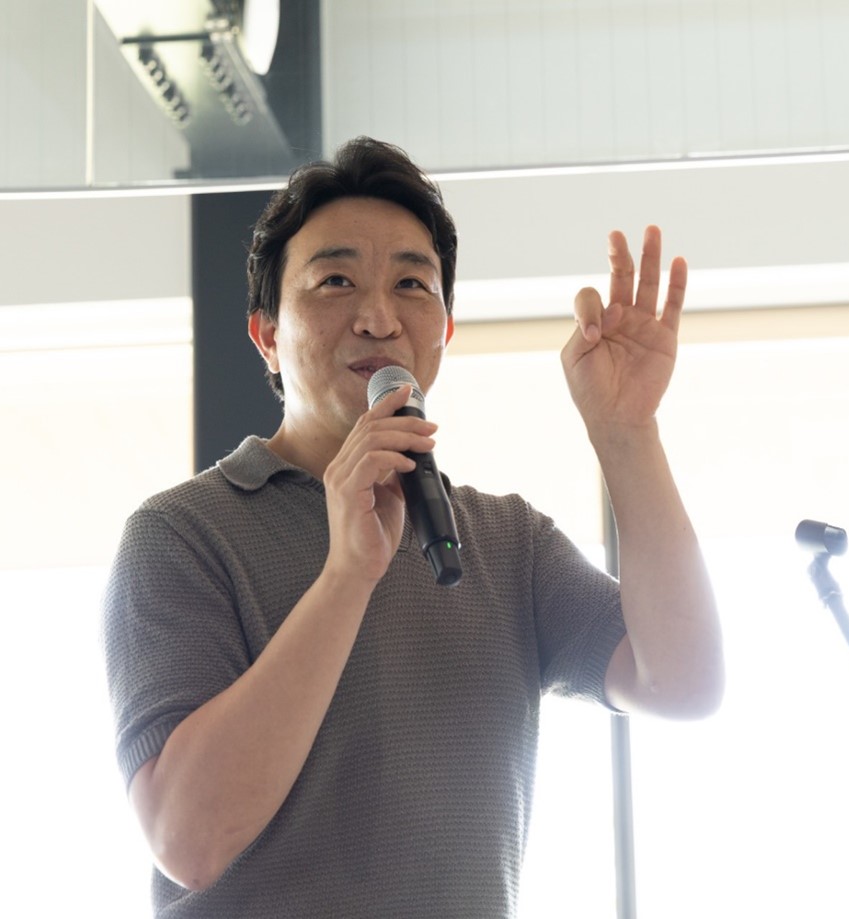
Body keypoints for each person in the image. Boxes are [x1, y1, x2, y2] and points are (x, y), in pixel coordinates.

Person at [102, 136, 724, 918]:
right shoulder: (182, 533)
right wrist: (346, 574)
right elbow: (188, 838)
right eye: (335, 281)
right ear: (266, 334)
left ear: (445, 332)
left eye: (411, 284)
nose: (377, 317)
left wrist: (625, 432)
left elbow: (684, 683)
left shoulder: (507, 541)